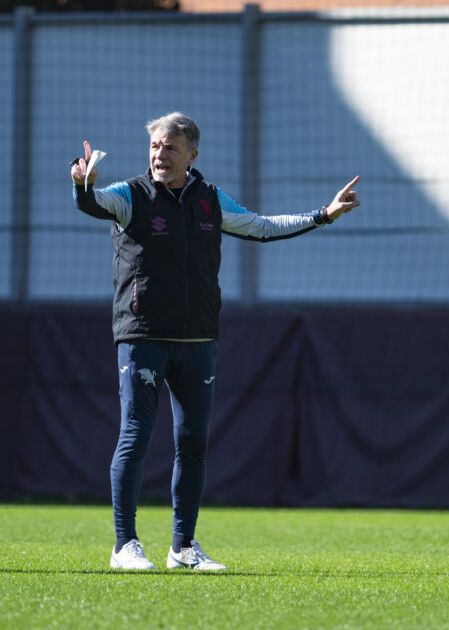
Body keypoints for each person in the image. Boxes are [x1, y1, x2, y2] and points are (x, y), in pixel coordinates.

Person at [71, 112, 361, 571]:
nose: (160, 154)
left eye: (170, 147)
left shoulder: (209, 198)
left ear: (192, 154)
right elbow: (94, 202)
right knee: (136, 434)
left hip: (198, 338)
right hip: (142, 336)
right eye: (155, 146)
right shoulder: (131, 194)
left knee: (193, 442)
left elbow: (261, 226)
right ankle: (125, 545)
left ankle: (183, 547)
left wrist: (324, 214)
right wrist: (83, 185)